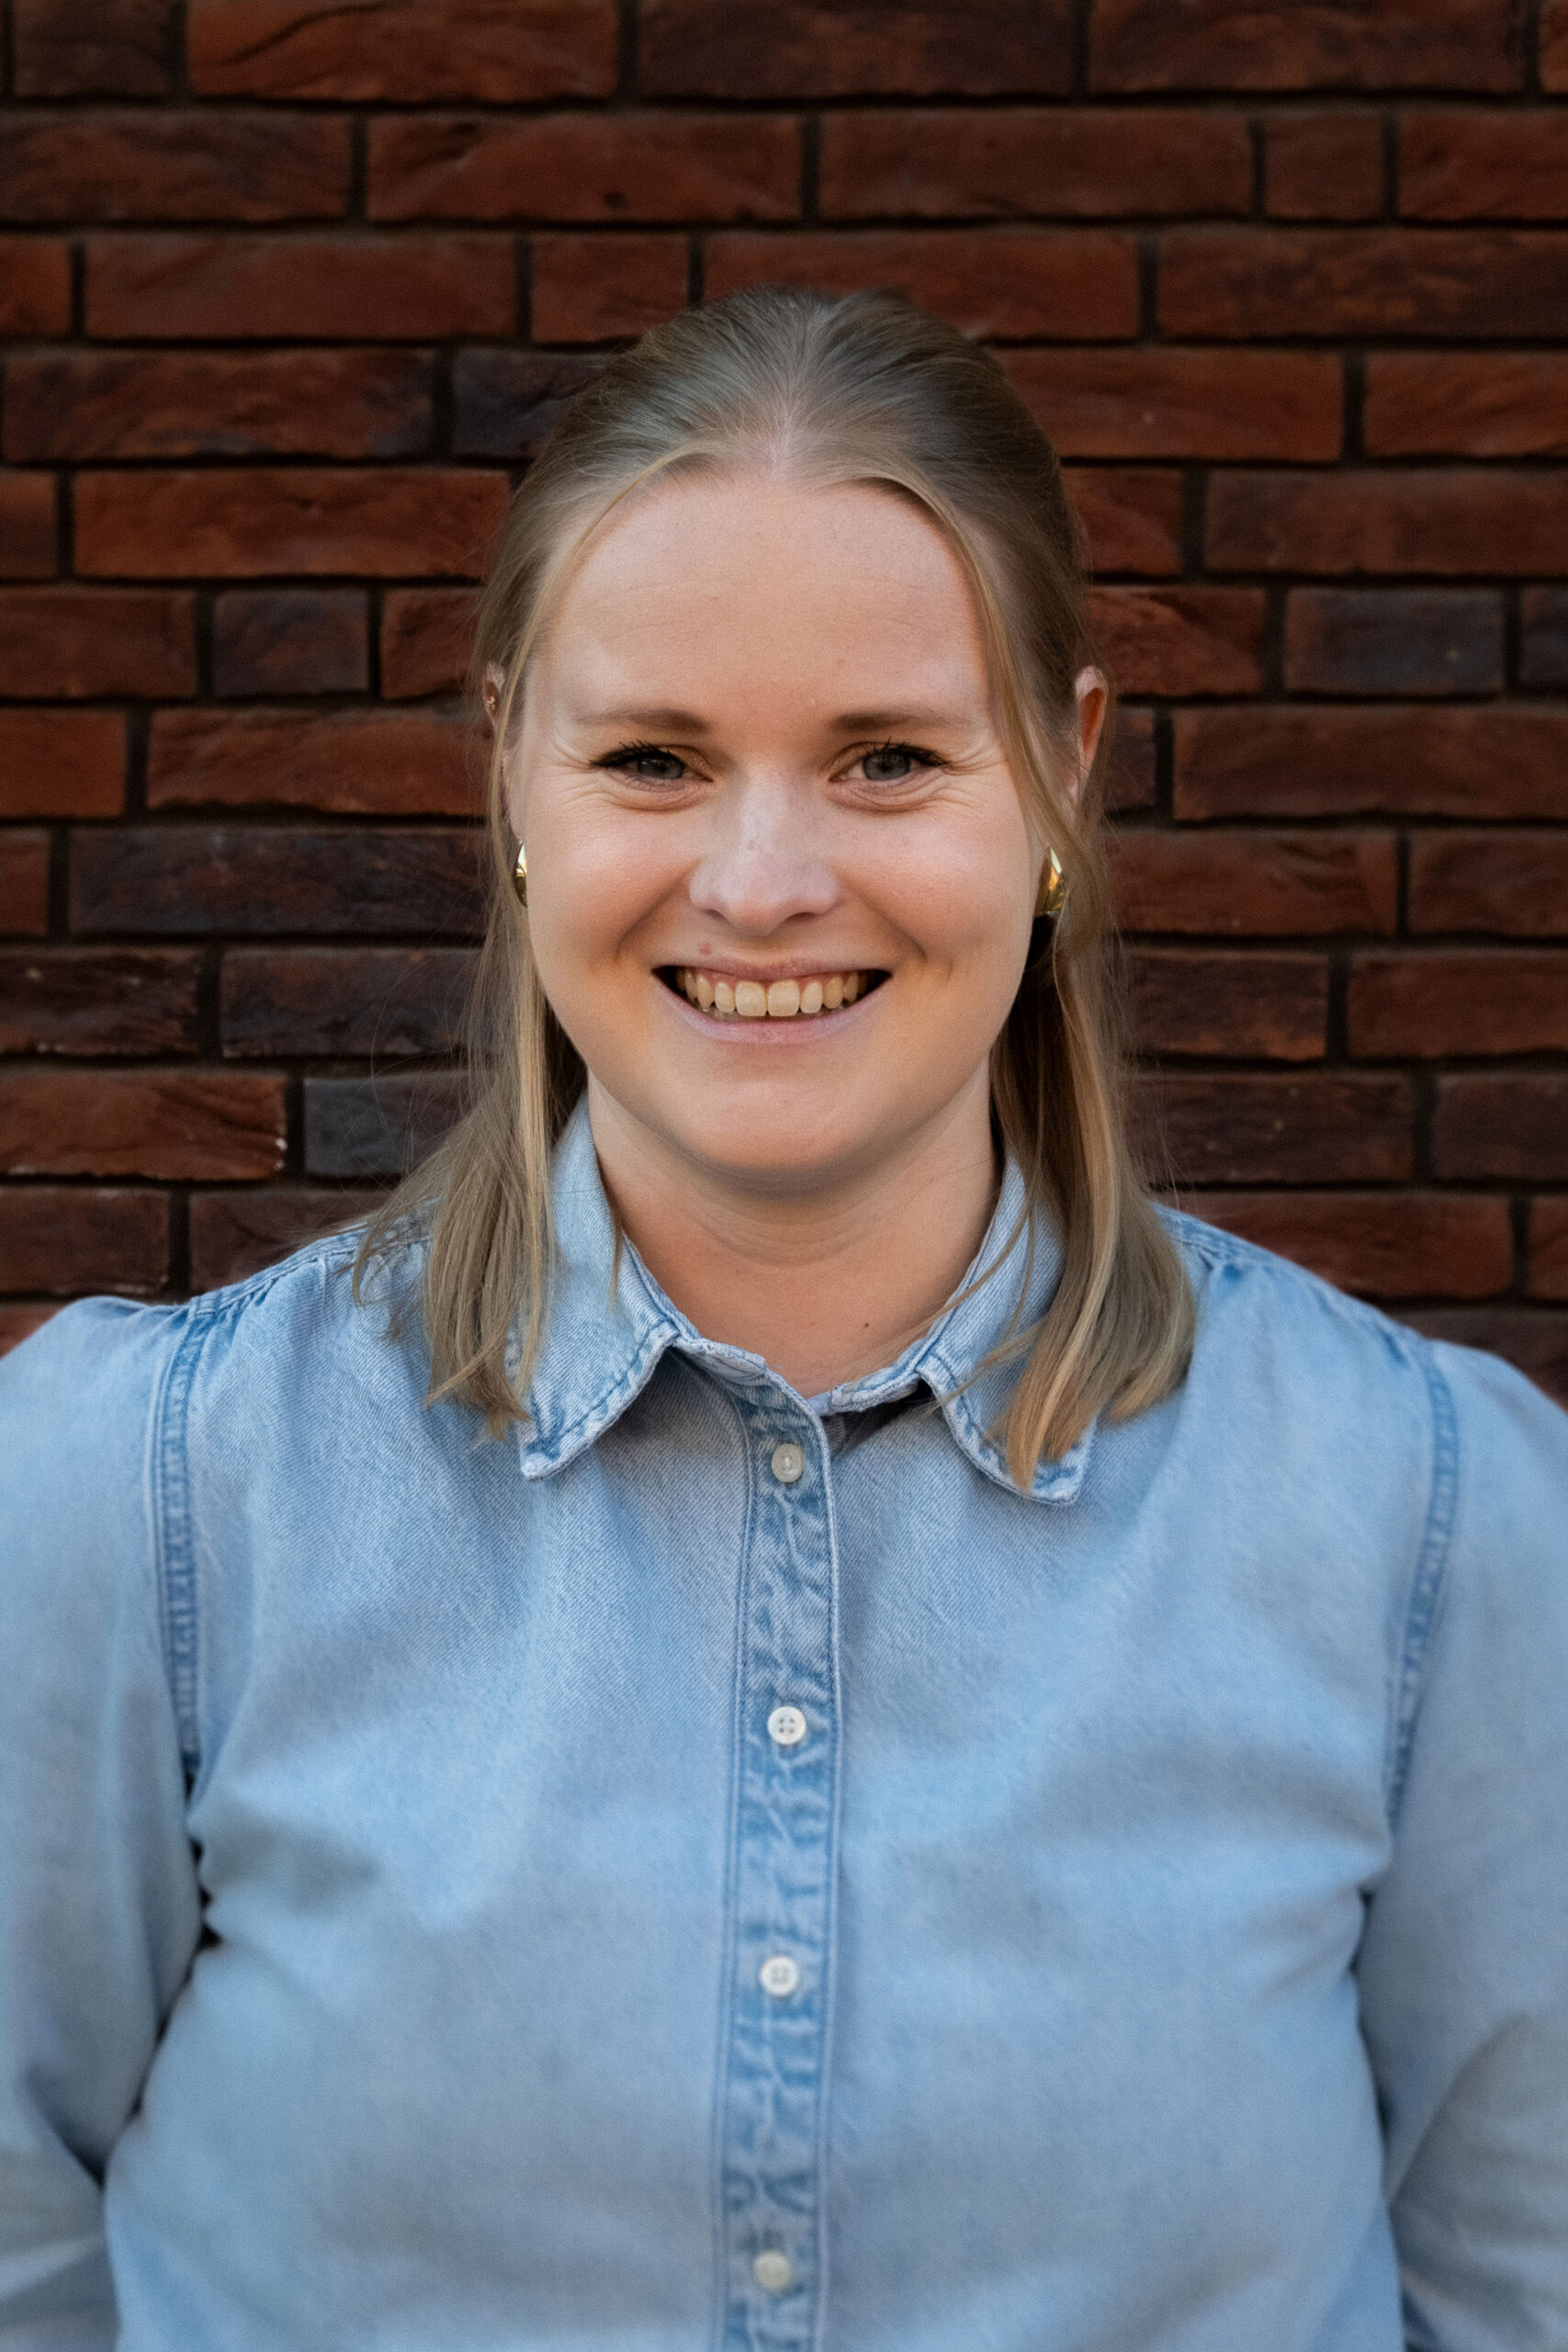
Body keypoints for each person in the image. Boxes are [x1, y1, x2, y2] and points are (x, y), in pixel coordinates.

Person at [1, 287, 1564, 2352]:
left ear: (1062, 777)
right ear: (511, 773)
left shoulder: (1438, 1525)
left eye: (886, 758)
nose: (758, 882)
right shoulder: (141, 1498)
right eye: (652, 757)